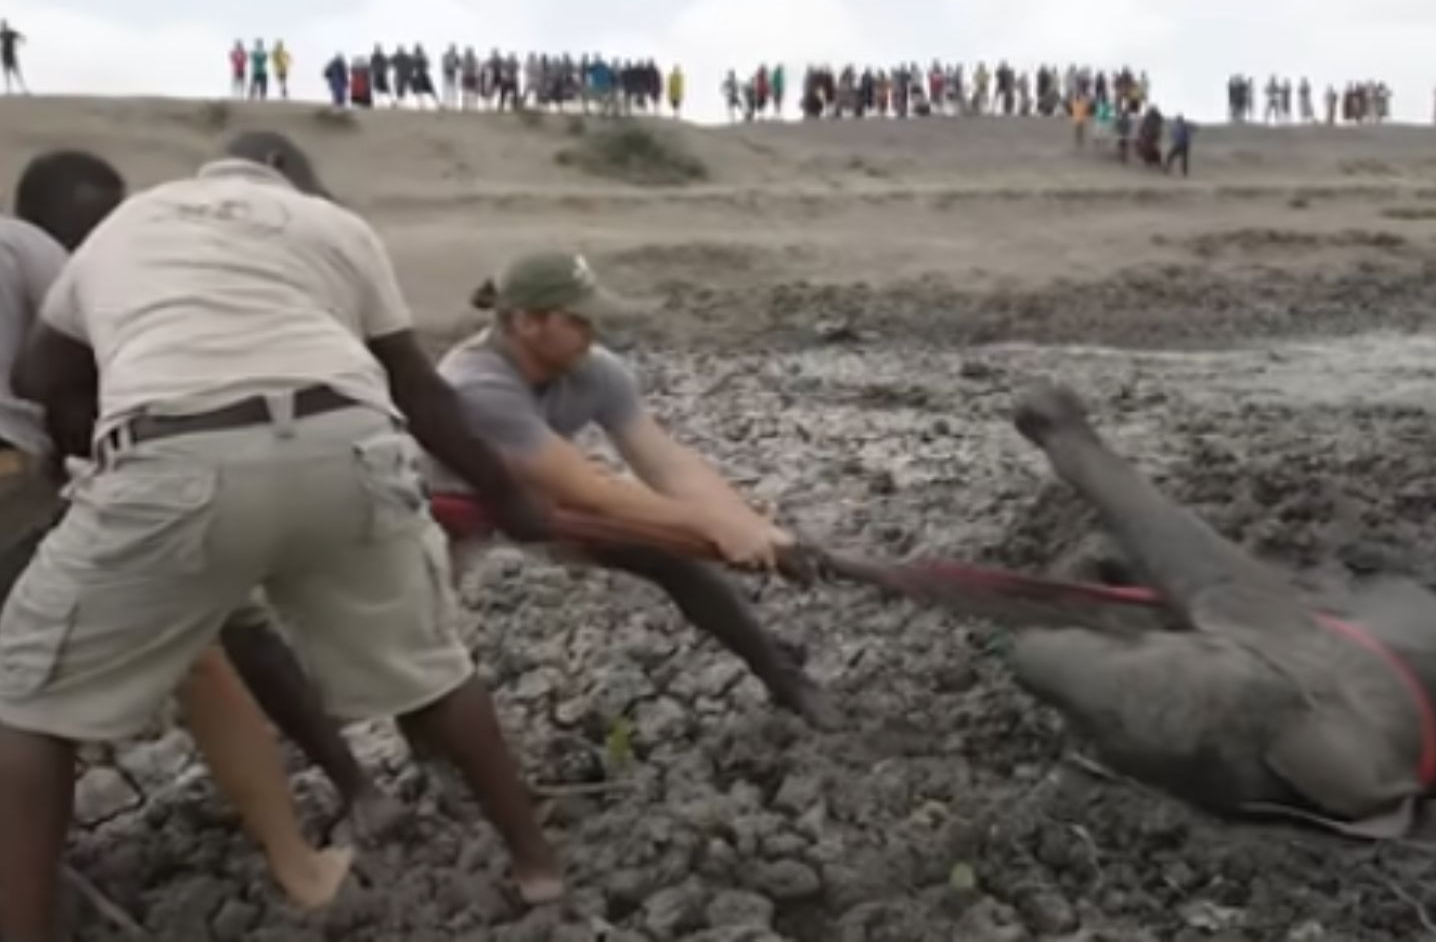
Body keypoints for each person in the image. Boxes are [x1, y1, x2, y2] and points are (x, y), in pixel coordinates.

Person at [0, 131, 570, 940]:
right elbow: (420, 390)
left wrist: (107, 416)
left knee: (26, 699)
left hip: (175, 459)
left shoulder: (129, 224)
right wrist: (508, 497)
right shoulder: (334, 226)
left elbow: (36, 377)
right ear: (290, 177)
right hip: (350, 448)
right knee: (434, 670)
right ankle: (535, 864)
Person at [0, 150, 361, 915]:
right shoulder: (40, 251)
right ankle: (300, 860)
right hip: (22, 488)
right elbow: (73, 380)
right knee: (205, 653)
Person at [426, 251, 840, 730]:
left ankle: (781, 675)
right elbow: (591, 490)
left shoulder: (595, 368)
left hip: (539, 497)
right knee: (428, 647)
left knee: (672, 558)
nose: (592, 332)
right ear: (526, 321)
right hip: (448, 515)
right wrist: (716, 527)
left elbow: (666, 462)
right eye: (578, 320)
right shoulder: (477, 385)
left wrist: (751, 528)